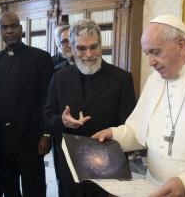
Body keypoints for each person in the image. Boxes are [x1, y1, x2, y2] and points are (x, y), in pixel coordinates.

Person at [93, 14, 185, 197]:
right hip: (151, 187)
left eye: (156, 52)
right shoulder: (155, 80)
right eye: (148, 54)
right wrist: (115, 134)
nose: (150, 63)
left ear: (181, 45)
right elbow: (139, 130)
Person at [43, 19, 136, 197]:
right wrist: (62, 121)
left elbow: (130, 126)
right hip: (70, 168)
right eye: (81, 48)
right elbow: (47, 118)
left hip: (109, 168)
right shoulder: (59, 78)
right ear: (71, 47)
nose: (88, 54)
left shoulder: (122, 79)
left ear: (101, 45)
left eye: (94, 47)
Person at [0, 11, 54, 197]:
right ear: (0, 31)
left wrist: (47, 134)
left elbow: (48, 101)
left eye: (13, 26)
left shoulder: (40, 58)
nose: (9, 31)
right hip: (0, 139)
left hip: (31, 139)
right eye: (5, 27)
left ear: (21, 28)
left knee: (34, 189)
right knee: (8, 188)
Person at [52, 24, 75, 197]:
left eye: (71, 40)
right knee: (64, 181)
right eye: (64, 42)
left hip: (94, 136)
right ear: (59, 46)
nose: (68, 45)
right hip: (62, 136)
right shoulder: (56, 73)